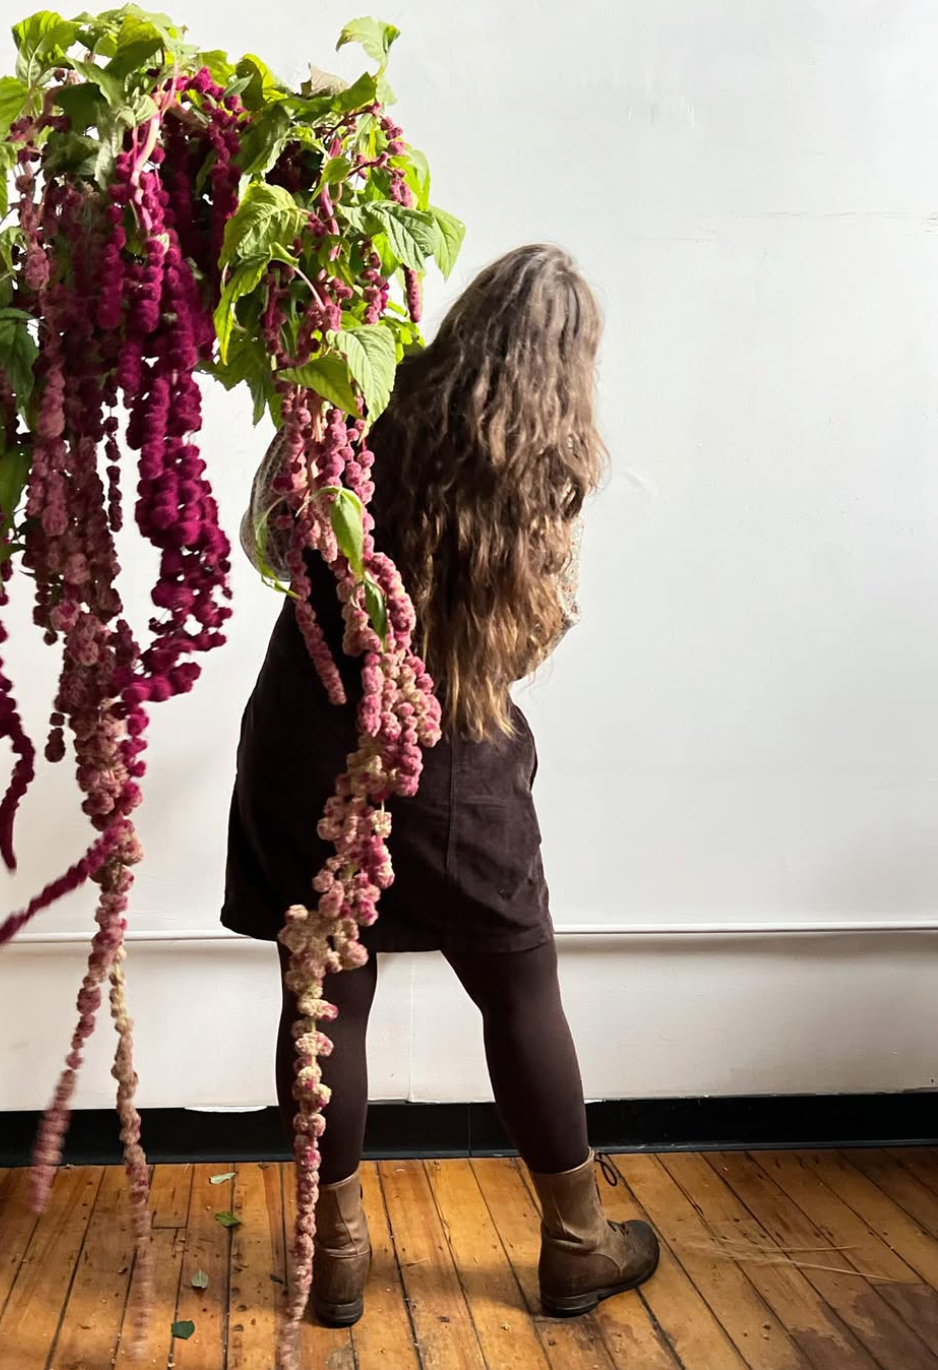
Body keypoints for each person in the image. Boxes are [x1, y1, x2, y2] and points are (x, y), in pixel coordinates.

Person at [222, 243, 659, 1327]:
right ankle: (575, 1242)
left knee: (326, 993)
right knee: (518, 990)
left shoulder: (358, 398)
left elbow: (265, 540)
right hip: (453, 757)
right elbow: (523, 643)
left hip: (303, 743)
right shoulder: (546, 472)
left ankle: (335, 1256)